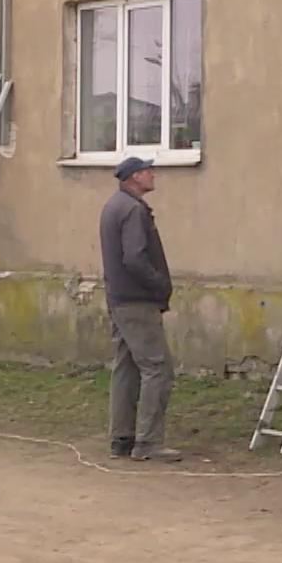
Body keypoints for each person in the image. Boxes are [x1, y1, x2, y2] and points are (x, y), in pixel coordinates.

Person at [98, 155, 182, 462]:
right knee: (157, 368)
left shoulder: (113, 207)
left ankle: (121, 438)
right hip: (137, 301)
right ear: (134, 177)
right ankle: (148, 442)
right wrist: (159, 284)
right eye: (148, 171)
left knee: (126, 368)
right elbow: (135, 258)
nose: (153, 175)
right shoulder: (133, 210)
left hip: (119, 298)